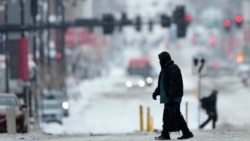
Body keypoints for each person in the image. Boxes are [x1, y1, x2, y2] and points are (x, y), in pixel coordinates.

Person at [152, 51, 193, 140]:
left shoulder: (173, 69)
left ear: (164, 60)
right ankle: (181, 133)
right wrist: (156, 93)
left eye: (160, 60)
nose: (159, 62)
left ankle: (169, 134)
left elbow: (173, 85)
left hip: (173, 98)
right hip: (169, 98)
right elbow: (162, 84)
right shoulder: (165, 69)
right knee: (173, 115)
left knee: (173, 115)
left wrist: (171, 97)